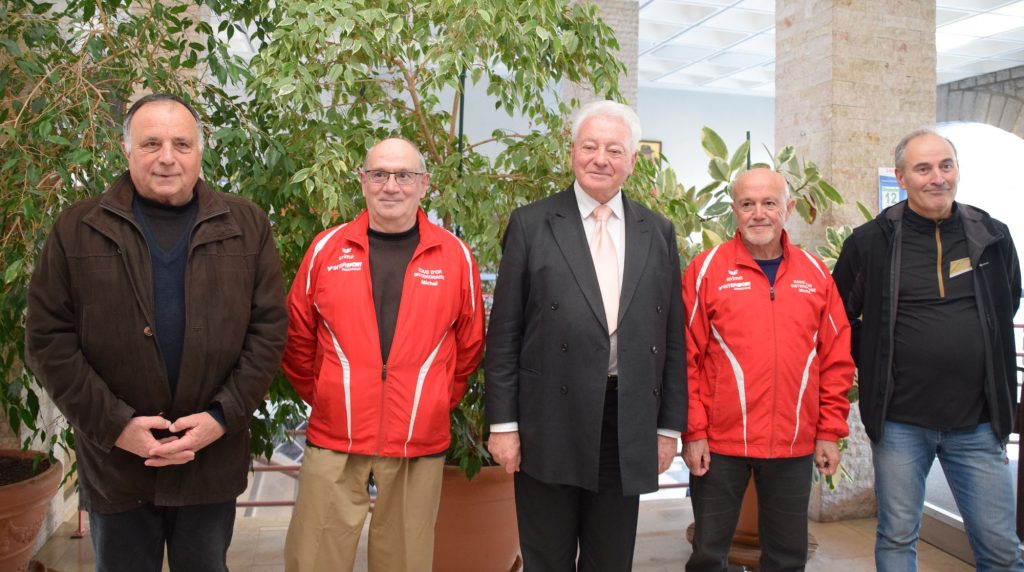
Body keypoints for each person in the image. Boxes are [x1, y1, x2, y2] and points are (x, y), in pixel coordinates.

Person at [24, 93, 288, 571]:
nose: (167, 157)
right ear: (125, 150)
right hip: (118, 466)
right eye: (151, 143)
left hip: (210, 461)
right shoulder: (76, 229)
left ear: (200, 151)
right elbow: (48, 339)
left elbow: (268, 332)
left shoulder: (247, 226)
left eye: (181, 144)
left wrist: (219, 418)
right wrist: (116, 426)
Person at [484, 99, 687, 571]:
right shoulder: (531, 224)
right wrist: (503, 426)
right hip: (546, 420)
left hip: (626, 421)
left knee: (611, 560)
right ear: (572, 151)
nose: (601, 159)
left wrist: (668, 428)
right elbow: (505, 334)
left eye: (615, 150)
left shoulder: (657, 231)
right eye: (590, 146)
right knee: (547, 558)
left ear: (633, 161)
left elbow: (671, 337)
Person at [281, 137, 485, 572]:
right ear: (363, 181)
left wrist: (432, 400)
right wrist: (328, 395)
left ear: (423, 184)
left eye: (403, 175)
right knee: (313, 558)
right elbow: (297, 337)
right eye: (379, 174)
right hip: (335, 435)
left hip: (417, 440)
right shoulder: (326, 249)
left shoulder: (455, 256)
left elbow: (469, 346)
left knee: (406, 562)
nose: (391, 185)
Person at [833, 129, 1024, 571]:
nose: (937, 178)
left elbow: (1006, 299)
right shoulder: (871, 242)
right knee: (897, 537)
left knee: (1001, 548)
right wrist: (878, 355)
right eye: (923, 169)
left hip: (977, 422)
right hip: (901, 422)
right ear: (901, 178)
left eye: (946, 165)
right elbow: (837, 317)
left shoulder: (991, 234)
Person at [682, 168, 854, 572]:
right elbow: (683, 357)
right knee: (708, 556)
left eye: (769, 203)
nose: (758, 214)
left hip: (793, 444)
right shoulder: (706, 270)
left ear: (788, 209)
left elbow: (836, 358)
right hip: (720, 445)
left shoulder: (815, 274)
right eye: (747, 204)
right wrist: (694, 431)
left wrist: (829, 430)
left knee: (787, 559)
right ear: (733, 211)